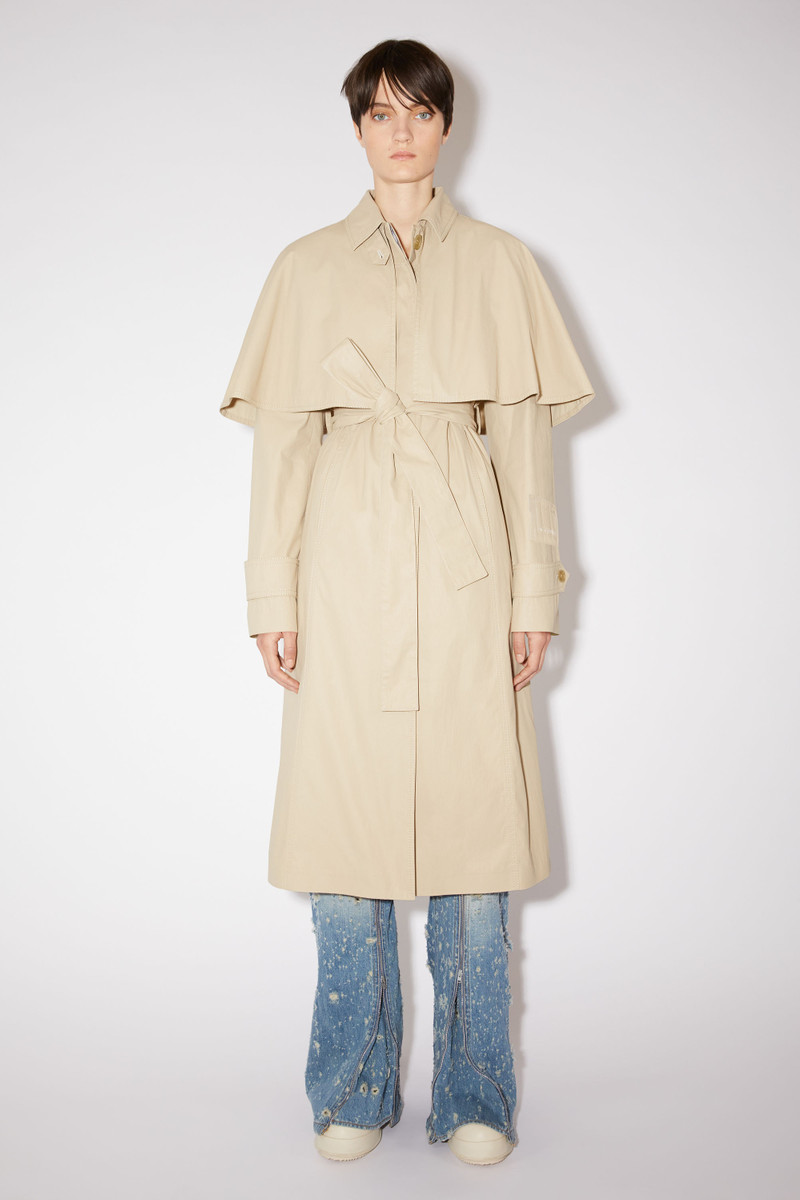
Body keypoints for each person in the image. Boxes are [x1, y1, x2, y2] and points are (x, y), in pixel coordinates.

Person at [219, 39, 594, 1166]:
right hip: (342, 569)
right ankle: (352, 1086)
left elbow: (524, 450)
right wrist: (271, 594)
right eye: (379, 113)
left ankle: (475, 1093)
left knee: (476, 832)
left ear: (445, 126)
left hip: (466, 563)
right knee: (344, 828)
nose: (399, 131)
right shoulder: (303, 267)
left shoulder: (502, 264)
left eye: (418, 112)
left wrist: (534, 594)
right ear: (356, 129)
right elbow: (282, 453)